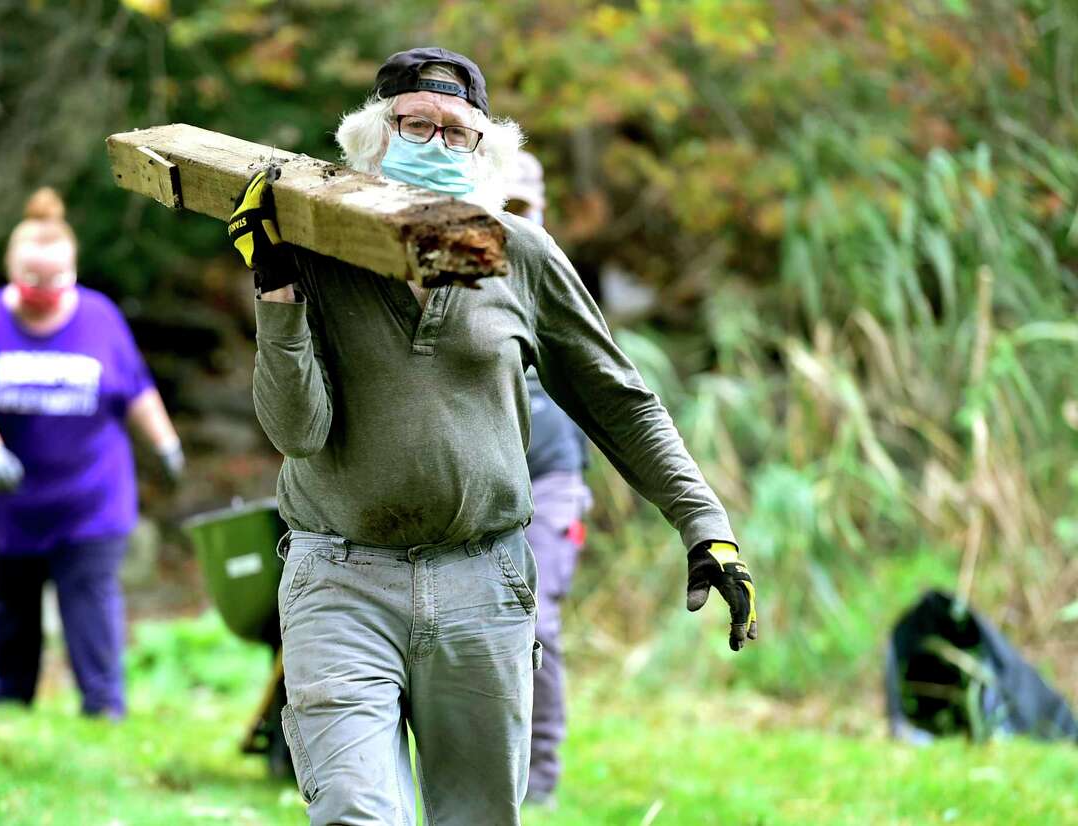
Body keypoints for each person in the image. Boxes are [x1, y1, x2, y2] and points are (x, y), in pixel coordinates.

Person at [229, 47, 758, 825]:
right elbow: (296, 430)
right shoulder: (310, 251)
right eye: (415, 125)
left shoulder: (520, 256)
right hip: (340, 579)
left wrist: (704, 524)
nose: (436, 145)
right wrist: (277, 292)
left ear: (486, 151)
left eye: (458, 132)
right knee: (353, 812)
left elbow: (621, 403)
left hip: (482, 583)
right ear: (373, 137)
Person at [0, 187, 184, 718]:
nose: (45, 291)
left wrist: (166, 443)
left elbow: (136, 389)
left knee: (91, 599)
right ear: (12, 270)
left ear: (72, 271)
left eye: (56, 280)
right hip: (4, 504)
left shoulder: (100, 317)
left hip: (89, 500)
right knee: (11, 605)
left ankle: (103, 707)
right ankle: (9, 701)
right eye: (33, 280)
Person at [505, 149, 592, 807]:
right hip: (477, 481)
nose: (512, 219)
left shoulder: (555, 278)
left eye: (522, 207)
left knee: (536, 622)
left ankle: (540, 778)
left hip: (552, 477)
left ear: (542, 210)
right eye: (501, 205)